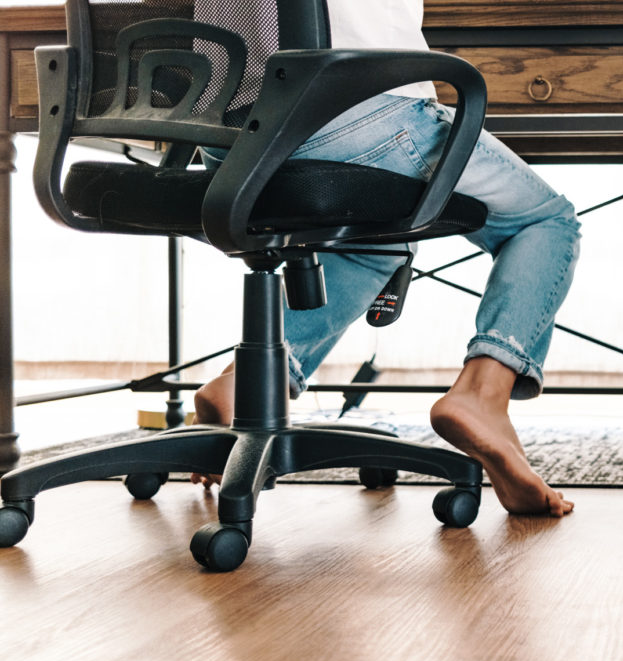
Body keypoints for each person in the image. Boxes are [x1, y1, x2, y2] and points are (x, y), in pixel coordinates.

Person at [193, 0, 581, 517]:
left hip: (223, 136)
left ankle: (248, 384)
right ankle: (483, 395)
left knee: (373, 249)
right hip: (353, 112)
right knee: (545, 222)